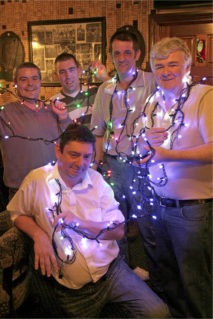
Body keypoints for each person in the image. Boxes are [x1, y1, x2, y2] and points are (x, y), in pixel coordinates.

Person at [7, 122, 170, 319]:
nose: (81, 163)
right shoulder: (37, 180)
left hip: (112, 272)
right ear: (58, 151)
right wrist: (39, 235)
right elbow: (17, 213)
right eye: (74, 155)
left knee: (159, 313)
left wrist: (80, 223)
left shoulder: (97, 181)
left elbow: (118, 231)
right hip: (74, 291)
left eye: (87, 156)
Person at [133, 37, 212, 318]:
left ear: (187, 65)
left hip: (191, 208)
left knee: (195, 282)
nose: (165, 71)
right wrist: (144, 144)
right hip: (157, 204)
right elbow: (142, 147)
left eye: (173, 64)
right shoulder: (153, 103)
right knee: (168, 277)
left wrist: (169, 155)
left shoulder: (203, 96)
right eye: (159, 65)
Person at [90, 29, 157, 283]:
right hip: (112, 165)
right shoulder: (104, 90)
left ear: (138, 54)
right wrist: (96, 166)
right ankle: (124, 274)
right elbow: (97, 132)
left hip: (143, 167)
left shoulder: (151, 81)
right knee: (116, 224)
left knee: (149, 226)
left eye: (127, 52)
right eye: (116, 53)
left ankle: (159, 278)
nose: (121, 57)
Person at [0, 62, 71, 200]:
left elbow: (71, 141)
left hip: (55, 187)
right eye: (23, 79)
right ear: (15, 83)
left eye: (34, 78)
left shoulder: (53, 110)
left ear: (40, 82)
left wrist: (64, 117)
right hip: (21, 191)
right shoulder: (4, 112)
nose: (30, 83)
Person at [51, 52, 108, 127]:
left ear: (79, 70)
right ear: (56, 76)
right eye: (62, 72)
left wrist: (106, 78)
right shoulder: (53, 104)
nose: (68, 76)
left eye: (71, 70)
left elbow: (120, 98)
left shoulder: (96, 92)